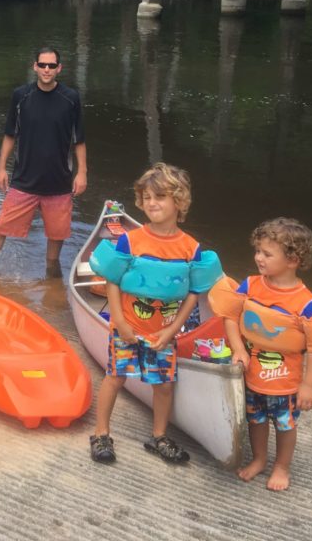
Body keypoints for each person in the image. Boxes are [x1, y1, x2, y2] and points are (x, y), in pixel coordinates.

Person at [87, 163, 223, 465]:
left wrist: (172, 330)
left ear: (179, 201)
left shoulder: (191, 248)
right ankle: (101, 433)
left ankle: (159, 436)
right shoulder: (130, 241)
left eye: (159, 196)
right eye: (146, 197)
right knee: (115, 377)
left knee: (163, 385)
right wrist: (119, 322)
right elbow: (112, 280)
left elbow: (193, 293)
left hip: (164, 333)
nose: (151, 203)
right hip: (127, 327)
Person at [209, 218, 312, 491]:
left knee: (285, 426)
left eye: (267, 253)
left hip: (286, 385)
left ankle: (282, 466)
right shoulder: (250, 285)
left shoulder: (307, 303)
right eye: (258, 251)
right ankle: (260, 459)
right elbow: (229, 315)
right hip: (252, 377)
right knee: (256, 420)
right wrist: (238, 348)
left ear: (293, 260)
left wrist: (309, 386)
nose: (258, 257)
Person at [0, 46, 87, 278]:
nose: (47, 70)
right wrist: (1, 168)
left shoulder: (71, 98)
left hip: (59, 181)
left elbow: (79, 141)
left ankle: (51, 273)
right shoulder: (21, 96)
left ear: (59, 69)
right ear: (35, 66)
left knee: (57, 234)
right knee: (1, 226)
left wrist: (82, 173)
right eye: (43, 65)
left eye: (52, 66)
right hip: (24, 179)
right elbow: (9, 135)